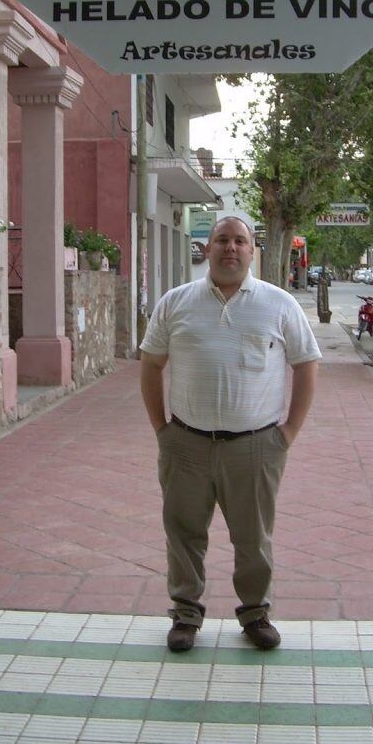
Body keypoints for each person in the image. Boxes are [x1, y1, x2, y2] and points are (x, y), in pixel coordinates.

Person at [140, 216, 321, 653]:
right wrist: (162, 430)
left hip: (256, 446)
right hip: (186, 443)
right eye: (222, 239)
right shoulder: (175, 302)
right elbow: (151, 364)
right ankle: (185, 614)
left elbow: (306, 364)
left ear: (252, 250)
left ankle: (255, 614)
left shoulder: (279, 304)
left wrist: (288, 432)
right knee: (183, 533)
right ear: (207, 247)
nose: (231, 248)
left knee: (253, 537)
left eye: (240, 241)